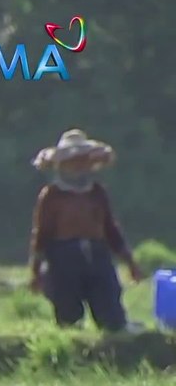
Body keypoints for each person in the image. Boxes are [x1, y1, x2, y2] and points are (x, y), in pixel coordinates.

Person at [29, 129, 143, 333]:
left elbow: (111, 229)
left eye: (82, 161)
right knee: (68, 316)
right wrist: (36, 271)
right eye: (72, 162)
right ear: (61, 165)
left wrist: (130, 262)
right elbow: (41, 234)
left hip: (97, 254)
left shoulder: (97, 193)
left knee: (111, 314)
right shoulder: (52, 195)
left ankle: (118, 331)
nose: (78, 167)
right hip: (63, 256)